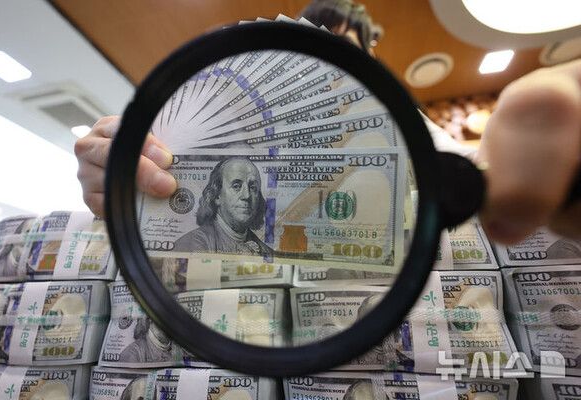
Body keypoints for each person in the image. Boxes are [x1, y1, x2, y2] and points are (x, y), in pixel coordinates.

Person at [74, 1, 581, 246]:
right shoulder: (229, 139)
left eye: (350, 61)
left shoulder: (417, 136)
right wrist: (121, 179)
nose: (333, 83)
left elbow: (479, 173)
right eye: (315, 66)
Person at [173, 157, 272, 256]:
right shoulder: (192, 244)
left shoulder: (268, 253)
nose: (247, 195)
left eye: (253, 187)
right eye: (236, 186)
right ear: (217, 195)